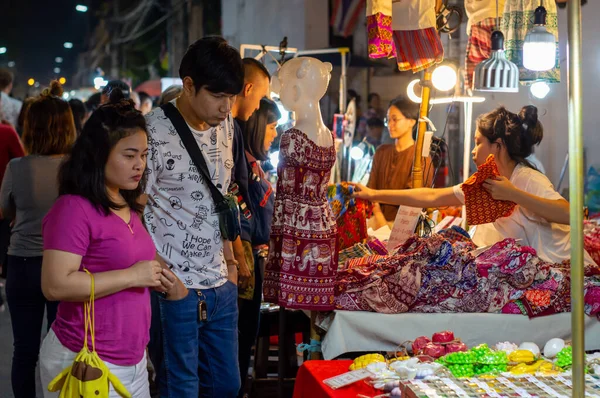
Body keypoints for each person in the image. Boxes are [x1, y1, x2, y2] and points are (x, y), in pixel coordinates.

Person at [38, 91, 176, 398]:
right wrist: (134, 276)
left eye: (143, 154)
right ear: (99, 154)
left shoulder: (126, 204)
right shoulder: (74, 208)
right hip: (85, 359)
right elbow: (55, 286)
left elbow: (135, 260)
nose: (139, 164)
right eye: (129, 155)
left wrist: (165, 279)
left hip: (134, 361)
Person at [354, 105, 595, 265]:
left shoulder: (527, 178)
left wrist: (514, 194)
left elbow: (570, 214)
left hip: (565, 270)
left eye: (478, 143)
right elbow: (432, 197)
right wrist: (372, 193)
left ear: (498, 145)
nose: (472, 151)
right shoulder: (484, 182)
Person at [143, 36, 244, 397]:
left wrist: (231, 265)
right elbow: (133, 210)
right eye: (218, 96)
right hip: (175, 289)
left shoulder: (228, 126)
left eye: (232, 97)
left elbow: (223, 196)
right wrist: (163, 277)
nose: (226, 107)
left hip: (220, 283)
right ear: (188, 86)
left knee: (227, 386)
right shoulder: (151, 132)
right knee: (179, 388)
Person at [0, 80, 76, 398]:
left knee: (24, 351)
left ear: (30, 128)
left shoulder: (17, 167)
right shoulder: (75, 169)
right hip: (65, 266)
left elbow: (3, 211)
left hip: (22, 265)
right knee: (61, 350)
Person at [237, 98, 279, 396]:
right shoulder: (243, 167)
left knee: (244, 341)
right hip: (244, 265)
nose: (275, 134)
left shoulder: (254, 164)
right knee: (238, 343)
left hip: (253, 263)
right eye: (272, 126)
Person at [230, 58, 271, 293]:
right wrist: (238, 251)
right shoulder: (227, 129)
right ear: (248, 89)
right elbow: (230, 191)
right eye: (260, 97)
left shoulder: (232, 129)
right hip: (237, 240)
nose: (257, 107)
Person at [367, 97, 433, 227]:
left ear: (411, 121)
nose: (390, 124)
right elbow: (371, 189)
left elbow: (412, 197)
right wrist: (380, 218)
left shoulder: (421, 158)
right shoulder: (381, 152)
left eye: (395, 119)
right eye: (388, 119)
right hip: (376, 222)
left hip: (405, 226)